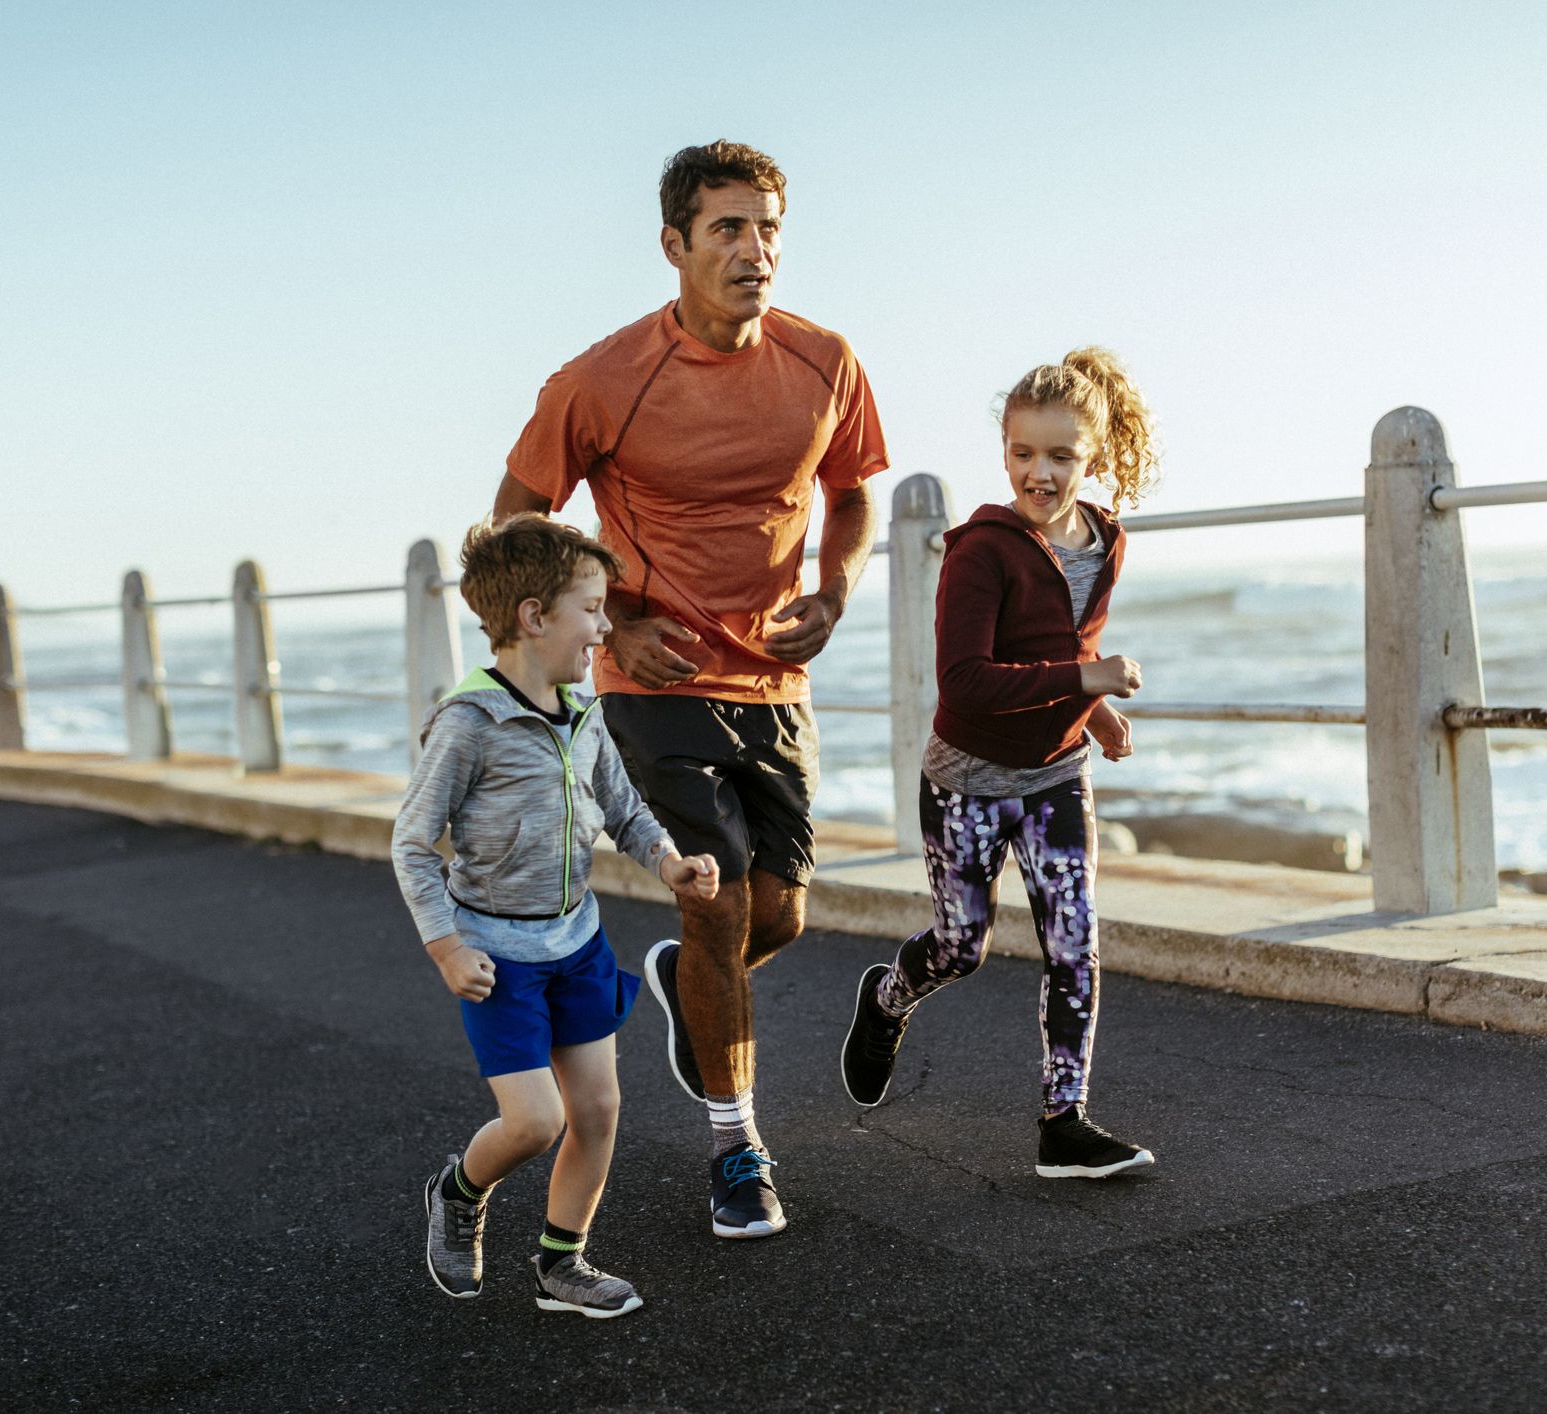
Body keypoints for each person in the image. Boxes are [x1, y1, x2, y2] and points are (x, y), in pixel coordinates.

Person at [492, 141, 888, 1239]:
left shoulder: (826, 362)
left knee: (780, 914)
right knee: (716, 904)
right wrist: (614, 618)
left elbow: (852, 495)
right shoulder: (603, 379)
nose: (755, 251)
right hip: (654, 684)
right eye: (728, 229)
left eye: (767, 228)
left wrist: (838, 584)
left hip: (775, 681)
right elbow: (514, 524)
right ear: (674, 244)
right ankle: (737, 1150)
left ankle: (685, 976)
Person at [838, 348, 1161, 1179]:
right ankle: (886, 1001)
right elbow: (967, 682)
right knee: (960, 946)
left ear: (1091, 458)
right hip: (968, 782)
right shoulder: (980, 551)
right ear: (1004, 451)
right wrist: (1084, 680)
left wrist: (1091, 710)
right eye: (1022, 454)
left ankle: (1064, 1122)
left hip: (1056, 774)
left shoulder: (1104, 543)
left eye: (1059, 457)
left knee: (1074, 945)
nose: (1038, 473)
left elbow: (1057, 647)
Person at [395, 513, 720, 1317]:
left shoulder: (584, 710)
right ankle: (459, 1190)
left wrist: (669, 860)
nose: (605, 625)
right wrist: (444, 949)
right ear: (534, 617)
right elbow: (410, 844)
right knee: (535, 1123)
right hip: (497, 955)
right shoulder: (469, 725)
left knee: (600, 1110)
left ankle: (560, 1265)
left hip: (575, 941)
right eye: (592, 608)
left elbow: (622, 807)